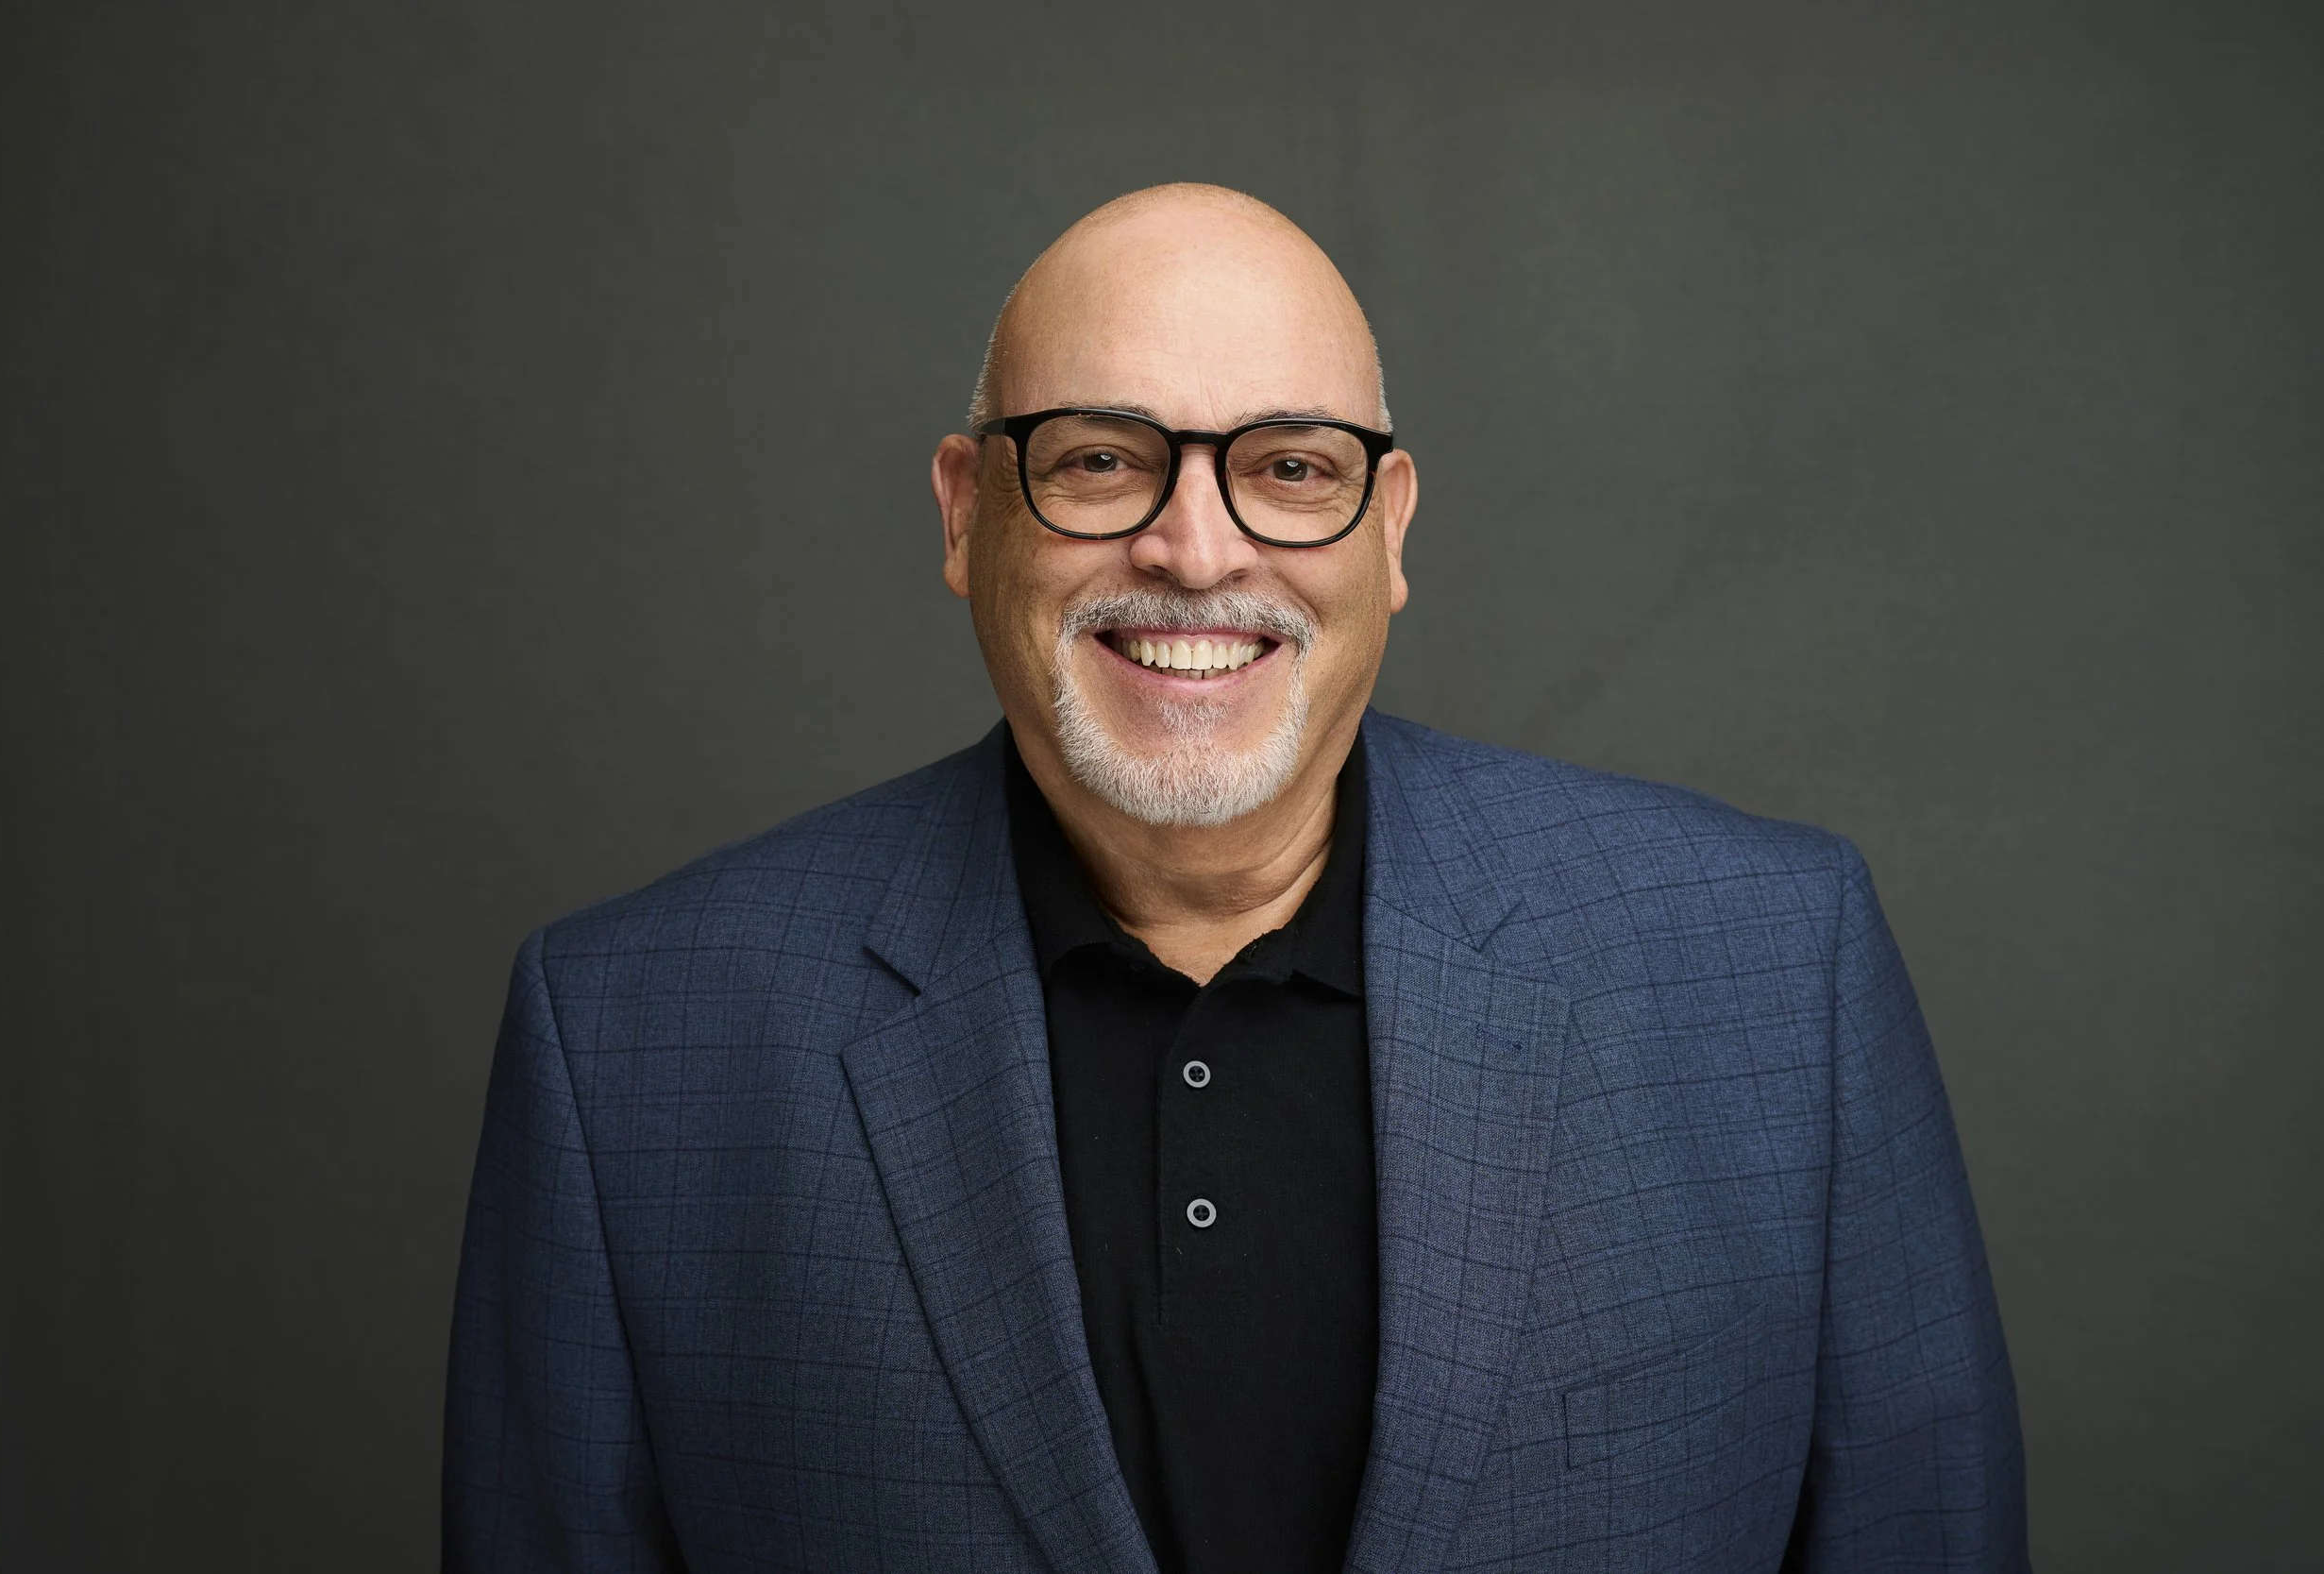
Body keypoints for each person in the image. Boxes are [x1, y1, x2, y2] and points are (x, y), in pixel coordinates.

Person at [443, 183, 2027, 1573]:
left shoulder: (1770, 971)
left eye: (1286, 467)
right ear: (963, 510)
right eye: (1099, 458)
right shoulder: (632, 1044)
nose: (1196, 552)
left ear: (1389, 530)